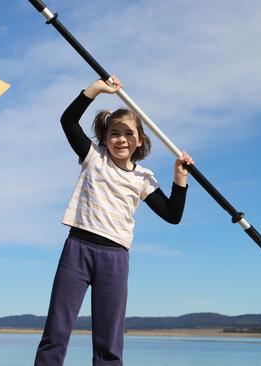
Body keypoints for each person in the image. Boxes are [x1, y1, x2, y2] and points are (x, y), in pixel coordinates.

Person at [33, 76, 194, 366]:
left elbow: (172, 215)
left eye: (128, 134)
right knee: (56, 331)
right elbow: (68, 121)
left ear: (140, 141)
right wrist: (95, 90)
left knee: (109, 341)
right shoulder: (94, 157)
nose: (121, 139)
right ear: (106, 138)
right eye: (115, 133)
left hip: (115, 257)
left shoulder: (143, 178)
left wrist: (180, 178)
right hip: (78, 248)